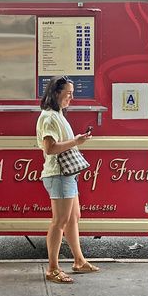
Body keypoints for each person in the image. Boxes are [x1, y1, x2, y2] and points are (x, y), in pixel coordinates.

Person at [36, 75, 99, 284]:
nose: (71, 98)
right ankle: (52, 268)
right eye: (68, 94)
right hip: (59, 174)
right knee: (60, 221)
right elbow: (50, 148)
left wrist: (76, 140)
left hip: (65, 175)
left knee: (73, 217)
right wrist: (76, 141)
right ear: (56, 93)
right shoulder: (49, 117)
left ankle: (79, 260)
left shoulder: (57, 115)